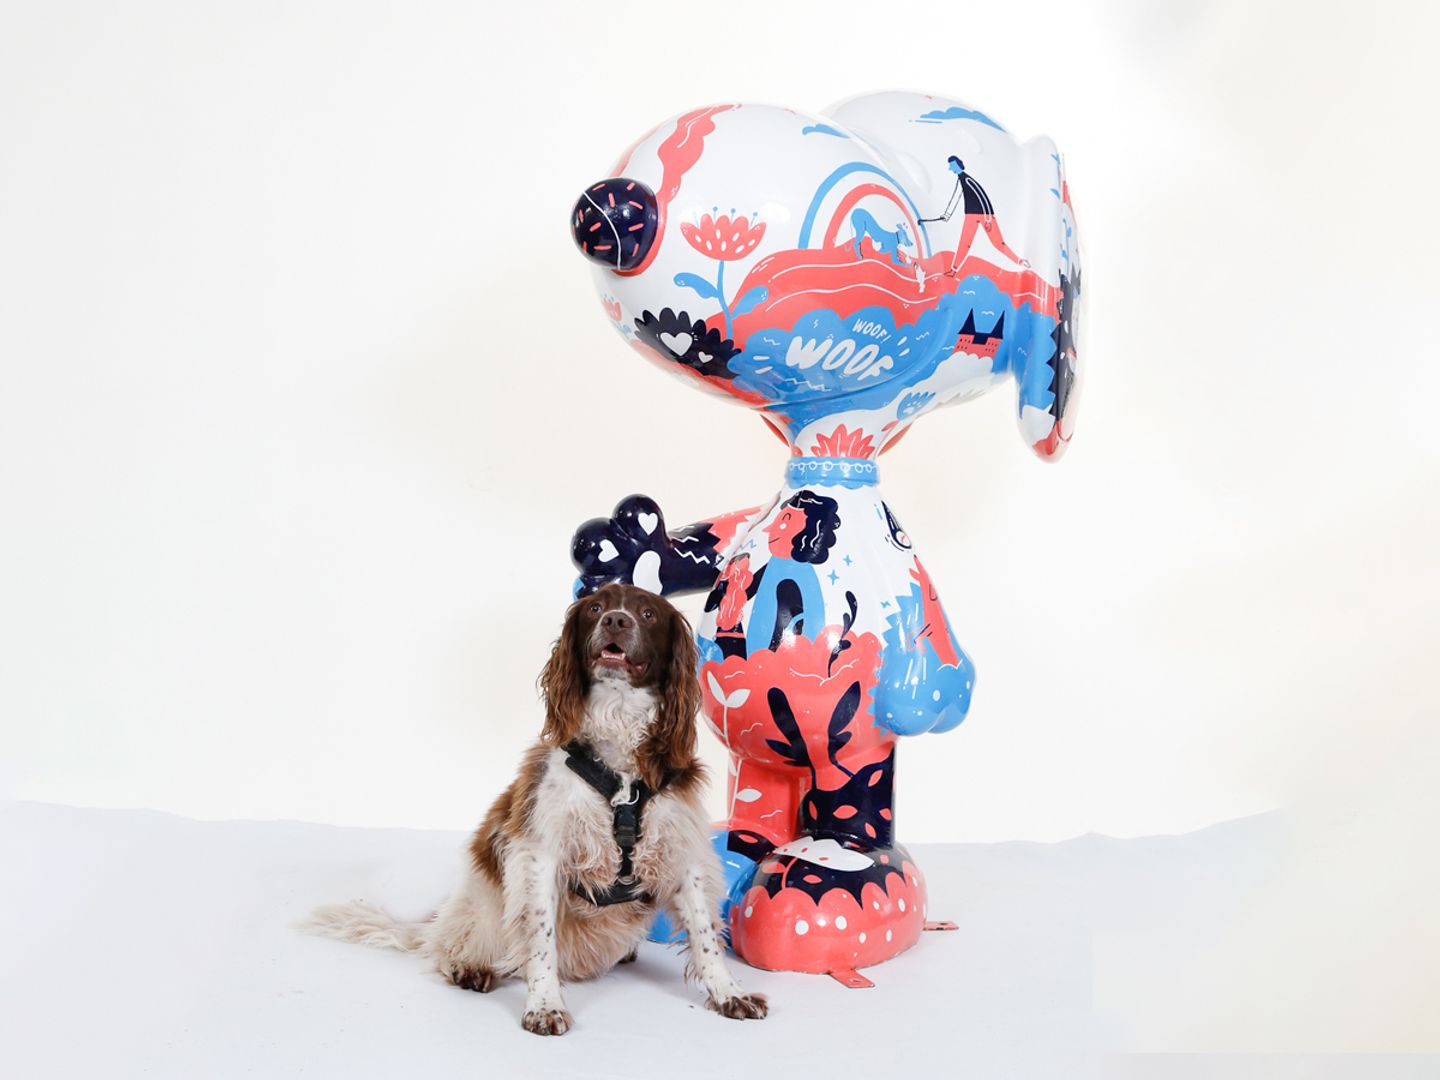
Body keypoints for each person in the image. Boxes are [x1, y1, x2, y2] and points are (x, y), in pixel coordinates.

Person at [919, 155, 1029, 273]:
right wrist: (946, 215)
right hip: (970, 215)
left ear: (957, 165)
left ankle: (1020, 262)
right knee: (964, 243)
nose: (950, 168)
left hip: (984, 215)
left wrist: (987, 218)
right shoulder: (960, 180)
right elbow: (956, 196)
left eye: (951, 166)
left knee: (998, 243)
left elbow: (983, 197)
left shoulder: (967, 179)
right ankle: (954, 270)